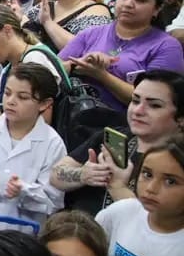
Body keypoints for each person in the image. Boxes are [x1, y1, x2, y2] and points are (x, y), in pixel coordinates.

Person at [51, 69, 184, 215]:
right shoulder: (112, 136)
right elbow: (55, 175)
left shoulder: (178, 161)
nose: (138, 111)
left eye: (154, 105)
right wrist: (82, 174)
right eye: (135, 101)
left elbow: (154, 222)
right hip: (79, 225)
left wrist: (118, 187)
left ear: (181, 118)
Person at [60, 0, 184, 113]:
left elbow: (153, 100)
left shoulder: (166, 46)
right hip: (73, 115)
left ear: (157, 9)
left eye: (141, 0)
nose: (129, 4)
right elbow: (53, 71)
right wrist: (79, 64)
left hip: (129, 122)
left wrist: (102, 75)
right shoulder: (91, 33)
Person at [0, 63, 67, 228]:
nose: (11, 101)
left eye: (23, 97)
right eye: (7, 93)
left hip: (25, 233)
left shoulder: (53, 144)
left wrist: (23, 191)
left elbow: (53, 202)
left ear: (44, 104)